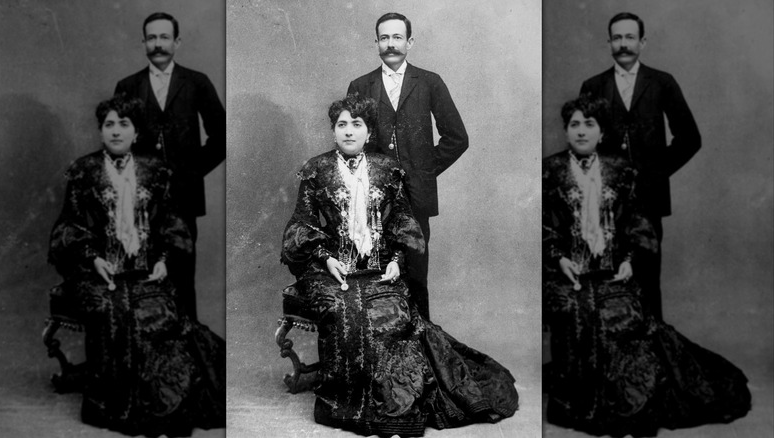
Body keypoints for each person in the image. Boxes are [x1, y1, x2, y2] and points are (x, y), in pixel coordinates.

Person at [281, 94, 517, 437]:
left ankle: (392, 406)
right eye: (341, 125)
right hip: (331, 269)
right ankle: (346, 403)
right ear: (333, 132)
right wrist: (325, 257)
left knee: (392, 311)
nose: (349, 131)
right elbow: (300, 223)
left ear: (368, 131)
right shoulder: (316, 169)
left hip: (378, 268)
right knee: (341, 309)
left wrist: (395, 260)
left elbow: (403, 220)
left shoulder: (386, 168)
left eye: (356, 125)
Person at [543, 95, 750, 437]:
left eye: (589, 124)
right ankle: (577, 402)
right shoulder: (550, 171)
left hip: (613, 274)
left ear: (601, 130)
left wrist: (629, 261)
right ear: (566, 131)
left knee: (625, 316)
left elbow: (638, 224)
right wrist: (558, 257)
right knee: (576, 311)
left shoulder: (621, 169)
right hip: (569, 275)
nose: (581, 131)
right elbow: (543, 226)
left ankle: (627, 399)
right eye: (574, 124)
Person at [48, 95, 225, 437]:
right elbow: (68, 227)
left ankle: (159, 401)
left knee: (161, 311)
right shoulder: (83, 171)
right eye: (109, 124)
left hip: (145, 272)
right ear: (101, 130)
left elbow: (172, 224)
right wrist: (92, 258)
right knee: (112, 309)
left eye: (123, 124)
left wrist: (163, 261)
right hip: (96, 274)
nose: (116, 131)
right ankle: (113, 403)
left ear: (136, 130)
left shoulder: (155, 170)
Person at [578, 12, 701, 321]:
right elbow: (581, 145)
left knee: (647, 280)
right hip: (605, 203)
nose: (623, 44)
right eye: (617, 38)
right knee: (607, 280)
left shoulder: (662, 82)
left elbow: (690, 138)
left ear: (642, 42)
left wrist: (656, 174)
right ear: (609, 43)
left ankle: (654, 359)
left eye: (629, 37)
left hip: (649, 200)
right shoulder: (593, 86)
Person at [347, 12, 469, 321]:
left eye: (397, 37)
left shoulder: (429, 82)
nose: (391, 44)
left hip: (416, 199)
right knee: (375, 279)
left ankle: (424, 353)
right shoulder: (361, 85)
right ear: (376, 43)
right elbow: (350, 144)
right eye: (384, 38)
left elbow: (457, 138)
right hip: (373, 202)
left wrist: (423, 171)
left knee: (415, 278)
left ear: (410, 42)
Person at [114, 12, 226, 321]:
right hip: (138, 198)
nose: (158, 44)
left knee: (181, 271)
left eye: (164, 37)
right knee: (141, 269)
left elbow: (222, 135)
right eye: (152, 38)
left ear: (176, 42)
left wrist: (192, 171)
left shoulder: (196, 82)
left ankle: (187, 344)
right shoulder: (128, 85)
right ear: (143, 42)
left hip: (184, 197)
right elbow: (118, 142)